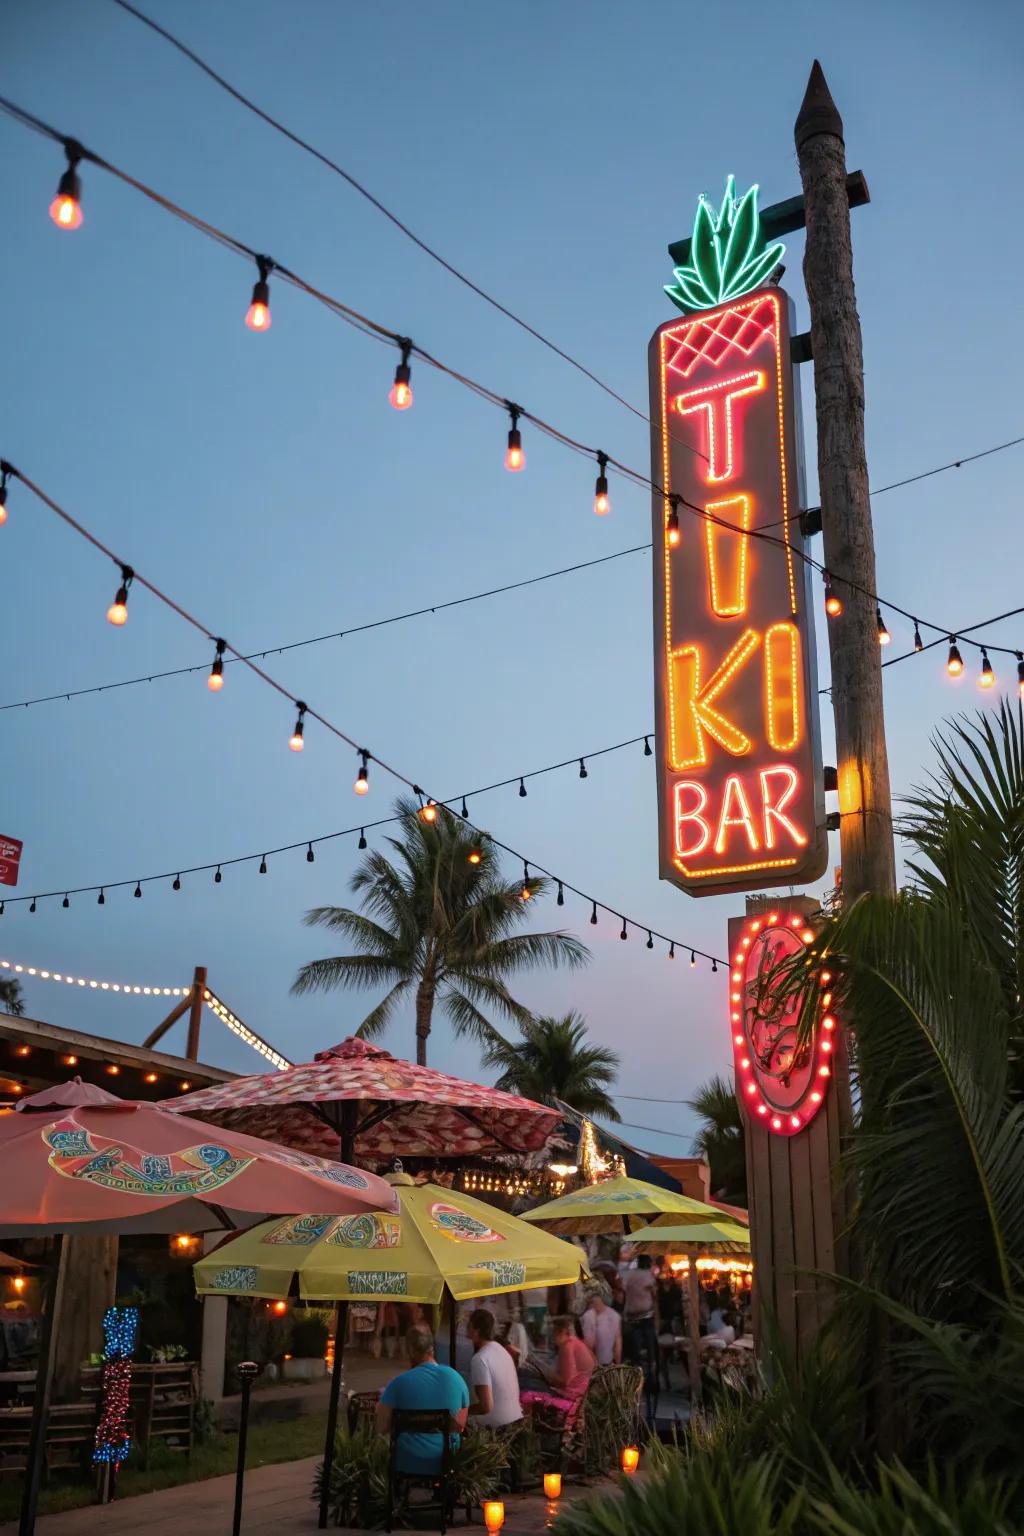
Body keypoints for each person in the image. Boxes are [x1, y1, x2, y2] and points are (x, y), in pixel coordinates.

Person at [376, 1325, 469, 1477]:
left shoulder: (398, 1384)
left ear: (410, 1350)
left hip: (407, 1459)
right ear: (432, 1348)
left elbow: (380, 1427)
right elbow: (459, 1425)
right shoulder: (456, 1379)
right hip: (447, 1459)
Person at [520, 1315, 596, 1417]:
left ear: (561, 1332)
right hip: (584, 1392)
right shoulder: (575, 1342)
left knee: (526, 1382)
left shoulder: (567, 1347)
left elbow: (566, 1381)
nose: (552, 1337)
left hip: (575, 1397)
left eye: (553, 1333)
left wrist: (548, 1375)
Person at [467, 1309, 523, 1430]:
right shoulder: (501, 1349)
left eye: (469, 1325)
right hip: (516, 1420)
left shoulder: (480, 1358)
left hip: (498, 1429)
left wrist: (463, 1411)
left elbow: (486, 1406)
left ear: (476, 1330)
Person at [581, 1289, 622, 1366]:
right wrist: (617, 1364)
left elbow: (590, 1343)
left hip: (595, 1364)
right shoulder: (615, 1315)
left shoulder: (589, 1316)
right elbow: (618, 1343)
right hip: (610, 1361)